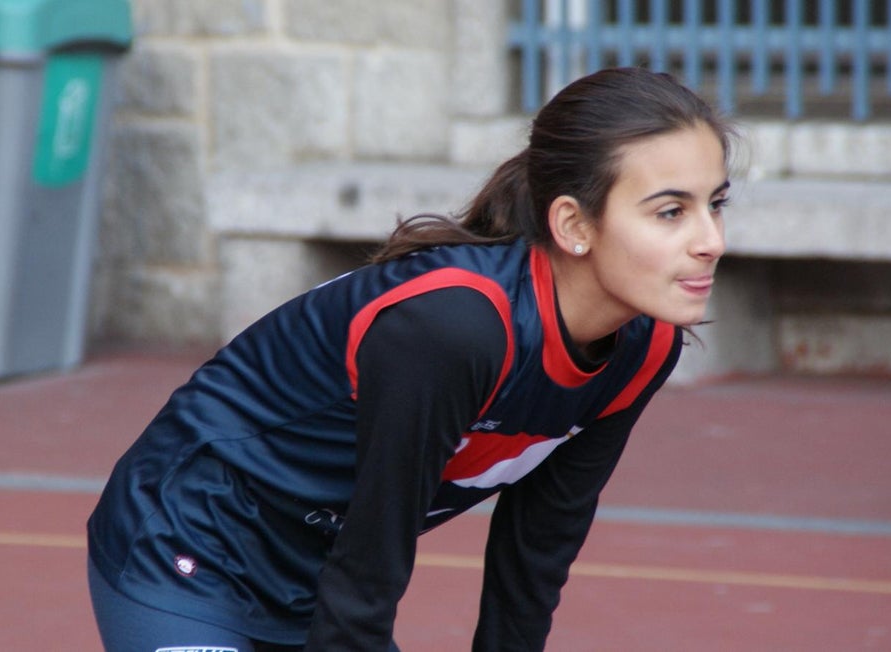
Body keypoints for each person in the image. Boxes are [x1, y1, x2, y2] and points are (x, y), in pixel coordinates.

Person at [87, 66, 736, 651]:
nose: (710, 240)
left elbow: (536, 553)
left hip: (317, 577)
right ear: (573, 225)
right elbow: (373, 563)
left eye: (716, 204)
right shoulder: (457, 329)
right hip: (186, 546)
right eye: (671, 211)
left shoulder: (644, 346)